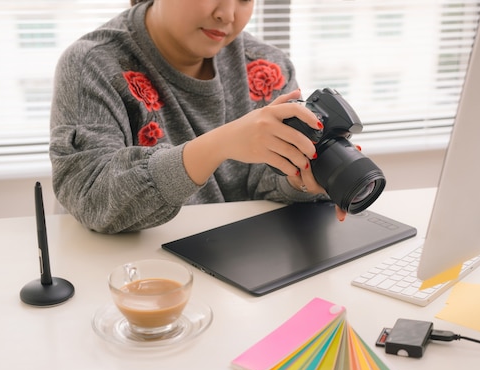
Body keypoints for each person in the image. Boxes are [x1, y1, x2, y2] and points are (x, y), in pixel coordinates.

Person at [49, 0, 346, 234]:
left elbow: (267, 184)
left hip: (237, 263)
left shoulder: (268, 66)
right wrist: (219, 145)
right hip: (128, 274)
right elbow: (92, 198)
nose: (227, 14)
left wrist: (301, 181)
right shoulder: (92, 64)